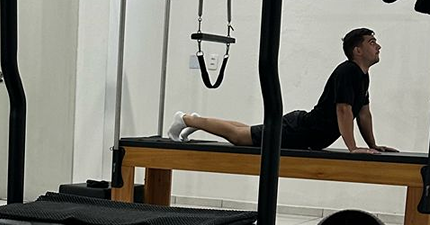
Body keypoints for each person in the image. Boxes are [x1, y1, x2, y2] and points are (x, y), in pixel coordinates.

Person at [165, 28, 397, 154]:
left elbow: (363, 114)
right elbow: (344, 110)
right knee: (240, 138)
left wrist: (372, 145)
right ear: (357, 50)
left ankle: (195, 120)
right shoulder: (348, 71)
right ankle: (186, 119)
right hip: (300, 131)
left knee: (247, 132)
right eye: (371, 42)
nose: (378, 46)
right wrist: (353, 148)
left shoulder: (362, 76)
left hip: (304, 132)